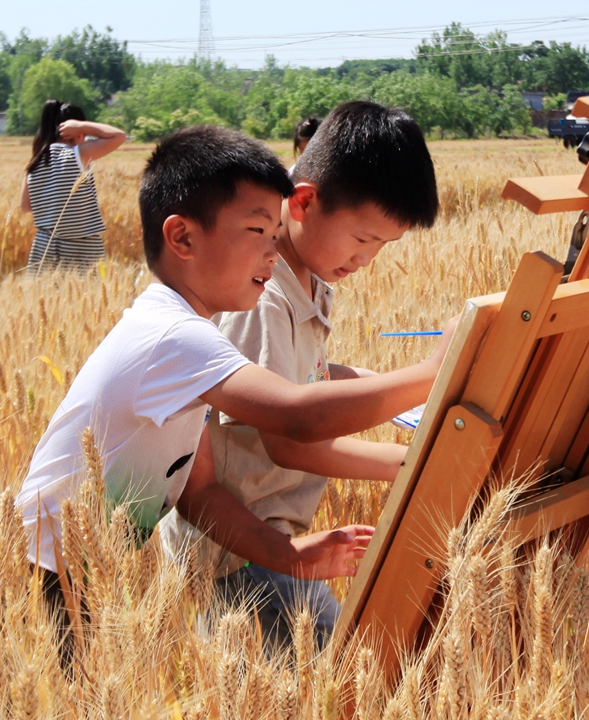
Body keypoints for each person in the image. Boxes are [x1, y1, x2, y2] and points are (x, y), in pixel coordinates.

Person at [0, 126, 455, 653]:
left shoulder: (194, 342)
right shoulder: (174, 337)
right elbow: (294, 416)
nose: (273, 256)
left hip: (78, 574)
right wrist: (436, 371)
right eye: (257, 233)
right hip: (31, 579)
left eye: (276, 235)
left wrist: (289, 553)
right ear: (183, 238)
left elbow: (199, 495)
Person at [158, 101, 439, 648]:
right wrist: (414, 462)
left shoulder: (307, 273)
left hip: (268, 541)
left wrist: (379, 383)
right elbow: (292, 436)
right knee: (329, 678)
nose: (368, 258)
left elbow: (304, 375)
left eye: (383, 245)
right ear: (305, 201)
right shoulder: (263, 294)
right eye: (363, 239)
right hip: (241, 552)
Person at [20, 99, 126, 272]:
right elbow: (118, 136)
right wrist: (83, 125)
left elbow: (25, 206)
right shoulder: (78, 154)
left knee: (45, 297)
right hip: (80, 248)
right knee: (88, 296)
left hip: (43, 247)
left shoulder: (35, 161)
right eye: (84, 135)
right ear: (75, 133)